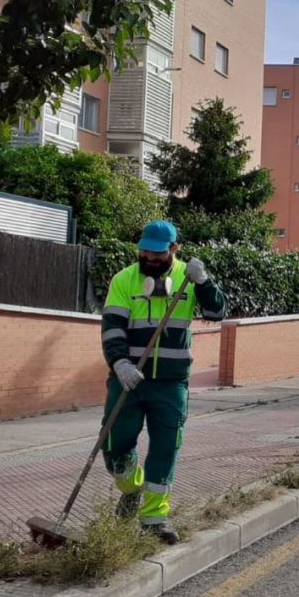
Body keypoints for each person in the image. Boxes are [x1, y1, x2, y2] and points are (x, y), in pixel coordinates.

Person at [99, 219, 226, 544]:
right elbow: (112, 327)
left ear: (173, 249)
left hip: (170, 384)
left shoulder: (188, 277)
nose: (149, 257)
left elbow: (217, 313)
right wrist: (120, 362)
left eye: (156, 253)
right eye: (144, 250)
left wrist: (204, 283)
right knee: (114, 445)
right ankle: (131, 487)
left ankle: (154, 519)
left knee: (165, 449)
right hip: (128, 380)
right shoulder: (124, 280)